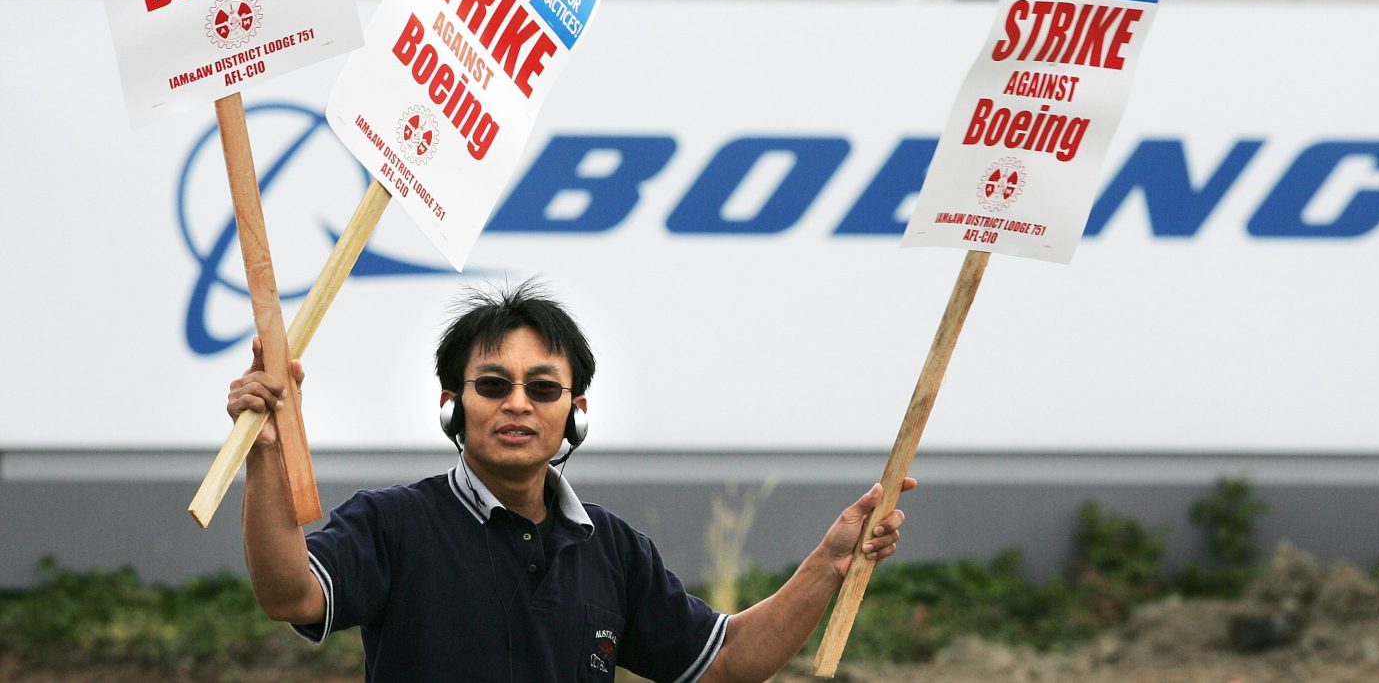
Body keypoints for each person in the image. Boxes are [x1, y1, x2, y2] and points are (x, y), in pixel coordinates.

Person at [228, 281, 915, 682]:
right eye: (493, 384)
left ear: (575, 409)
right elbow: (288, 591)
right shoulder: (393, 523)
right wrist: (263, 455)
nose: (518, 403)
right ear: (453, 403)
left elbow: (726, 660)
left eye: (543, 386)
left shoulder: (612, 549)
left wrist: (830, 560)